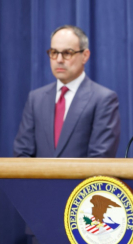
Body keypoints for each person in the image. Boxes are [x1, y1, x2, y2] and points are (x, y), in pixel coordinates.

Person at [14, 25, 120, 158]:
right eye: (54, 52)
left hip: (83, 179)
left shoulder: (103, 99)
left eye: (67, 53)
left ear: (85, 56)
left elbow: (100, 157)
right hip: (39, 179)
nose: (59, 60)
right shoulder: (36, 98)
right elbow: (22, 153)